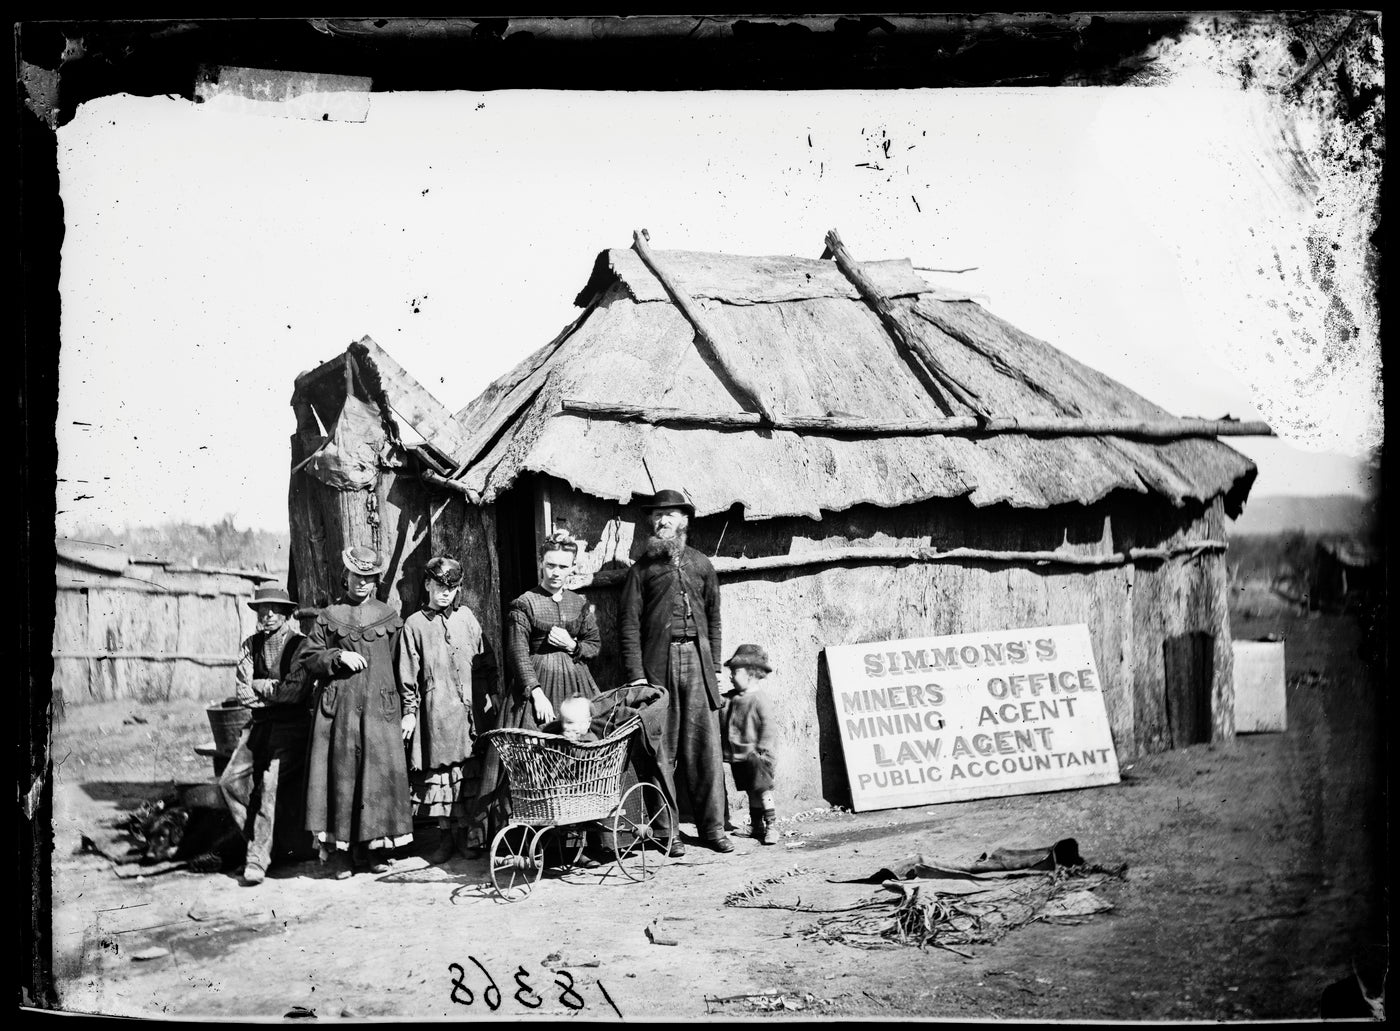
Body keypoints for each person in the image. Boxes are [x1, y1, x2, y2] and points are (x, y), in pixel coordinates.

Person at [620, 488, 733, 854]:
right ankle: (666, 833)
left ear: (684, 521)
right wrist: (637, 674)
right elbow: (629, 625)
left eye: (670, 514)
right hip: (658, 669)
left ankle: (713, 830)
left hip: (698, 666)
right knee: (661, 750)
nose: (662, 520)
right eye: (656, 515)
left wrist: (714, 667)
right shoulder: (641, 571)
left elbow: (714, 618)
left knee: (705, 749)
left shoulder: (701, 564)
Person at [300, 546, 414, 878]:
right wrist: (336, 657)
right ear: (346, 576)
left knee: (376, 776)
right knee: (343, 777)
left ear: (376, 580)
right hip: (340, 712)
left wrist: (407, 708)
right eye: (356, 576)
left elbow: (401, 664)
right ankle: (340, 856)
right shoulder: (329, 615)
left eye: (368, 578)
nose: (361, 583)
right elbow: (309, 656)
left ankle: (373, 848)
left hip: (380, 710)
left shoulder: (389, 617)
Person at [397, 556, 494, 865]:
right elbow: (407, 672)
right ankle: (444, 839)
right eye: (439, 586)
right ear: (427, 585)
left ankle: (467, 837)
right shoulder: (414, 624)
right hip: (435, 713)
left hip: (467, 713)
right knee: (440, 778)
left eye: (451, 588)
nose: (445, 593)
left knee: (466, 776)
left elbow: (485, 661)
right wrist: (410, 711)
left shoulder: (467, 617)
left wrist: (488, 698)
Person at [218, 584, 311, 886]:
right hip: (259, 726)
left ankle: (257, 860)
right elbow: (243, 692)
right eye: (262, 608)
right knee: (230, 781)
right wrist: (271, 691)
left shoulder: (301, 645)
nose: (268, 614)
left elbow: (296, 693)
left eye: (274, 609)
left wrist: (266, 687)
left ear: (286, 613)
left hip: (291, 729)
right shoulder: (250, 645)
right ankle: (262, 842)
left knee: (269, 786)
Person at [501, 532, 602, 729]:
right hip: (538, 682)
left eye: (563, 567)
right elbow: (517, 653)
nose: (556, 573)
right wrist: (536, 694)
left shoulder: (578, 603)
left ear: (572, 568)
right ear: (541, 563)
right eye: (551, 565)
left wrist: (572, 645)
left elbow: (593, 643)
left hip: (576, 682)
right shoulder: (525, 603)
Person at [721, 644, 779, 846]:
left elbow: (768, 725)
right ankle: (756, 826)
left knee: (763, 791)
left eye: (735, 672)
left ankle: (771, 826)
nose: (731, 676)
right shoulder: (733, 697)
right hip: (743, 756)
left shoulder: (759, 699)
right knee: (751, 791)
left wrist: (762, 749)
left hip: (758, 756)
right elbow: (722, 708)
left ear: (752, 675)